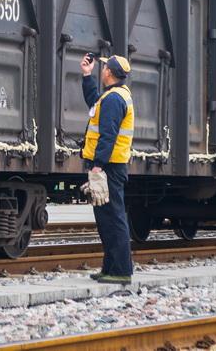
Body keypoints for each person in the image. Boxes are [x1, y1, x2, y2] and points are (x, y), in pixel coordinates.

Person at [79, 52, 134, 285]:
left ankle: (121, 271)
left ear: (109, 72)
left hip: (109, 167)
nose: (102, 70)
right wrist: (87, 76)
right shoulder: (113, 96)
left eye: (103, 68)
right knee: (106, 218)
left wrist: (97, 167)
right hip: (110, 166)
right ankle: (110, 267)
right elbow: (94, 103)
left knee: (113, 218)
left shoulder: (114, 99)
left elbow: (108, 136)